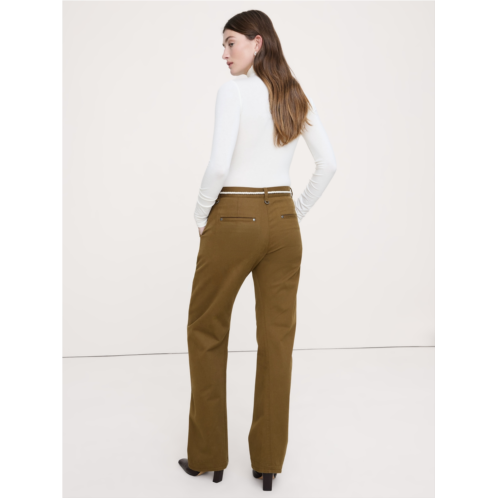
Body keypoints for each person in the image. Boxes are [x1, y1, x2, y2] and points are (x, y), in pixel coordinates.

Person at [178, 10, 337, 491]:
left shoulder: (234, 92)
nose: (224, 54)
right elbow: (328, 164)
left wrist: (201, 212)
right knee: (276, 341)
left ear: (257, 42)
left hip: (233, 216)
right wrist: (294, 212)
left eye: (231, 43)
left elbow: (218, 165)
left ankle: (208, 456)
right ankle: (268, 461)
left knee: (206, 329)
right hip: (283, 222)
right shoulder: (294, 94)